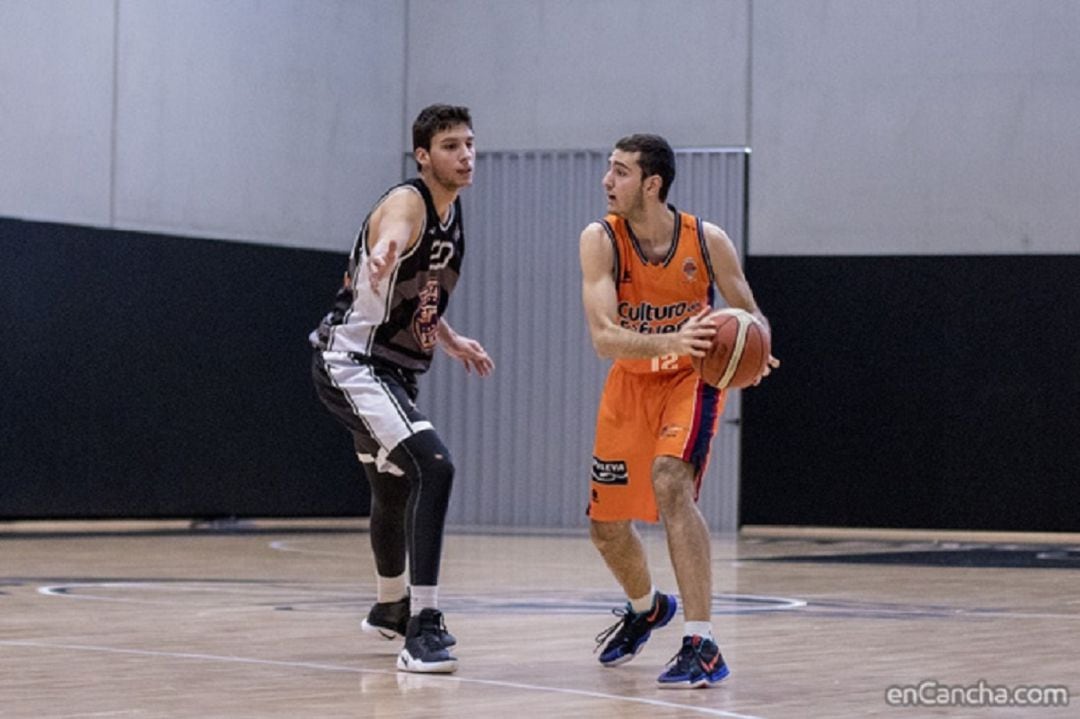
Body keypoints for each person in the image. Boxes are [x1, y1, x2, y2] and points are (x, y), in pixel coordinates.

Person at [579, 134, 778, 688]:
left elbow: (748, 312)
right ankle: (647, 608)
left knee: (671, 483)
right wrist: (674, 336)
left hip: (690, 381)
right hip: (630, 382)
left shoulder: (707, 240)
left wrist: (753, 348)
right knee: (605, 528)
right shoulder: (601, 240)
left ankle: (703, 641)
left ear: (652, 184)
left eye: (619, 172)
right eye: (608, 168)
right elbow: (604, 338)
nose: (606, 181)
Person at [310, 104, 494, 674]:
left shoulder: (453, 212)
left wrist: (451, 337)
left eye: (468, 144)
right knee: (433, 467)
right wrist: (385, 248)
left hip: (393, 368)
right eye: (450, 146)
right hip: (353, 364)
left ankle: (391, 606)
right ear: (423, 156)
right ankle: (424, 624)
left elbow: (416, 297)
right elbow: (392, 232)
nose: (464, 155)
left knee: (390, 487)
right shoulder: (409, 203)